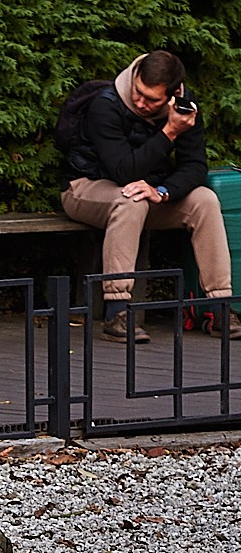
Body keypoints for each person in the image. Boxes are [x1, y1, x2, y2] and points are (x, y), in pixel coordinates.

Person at [60, 49, 239, 344]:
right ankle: (117, 311)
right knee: (131, 200)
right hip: (85, 187)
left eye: (151, 99)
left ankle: (221, 306)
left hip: (146, 192)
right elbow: (122, 171)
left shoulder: (185, 109)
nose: (141, 103)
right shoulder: (106, 104)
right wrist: (169, 131)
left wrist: (163, 192)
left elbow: (195, 166)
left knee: (205, 200)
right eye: (138, 92)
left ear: (172, 95)